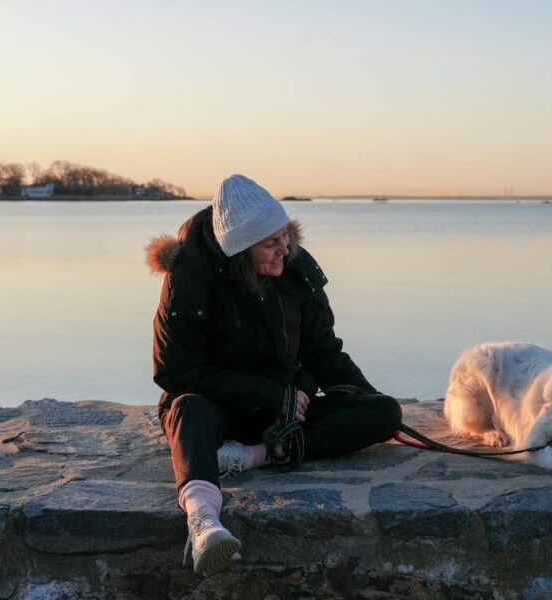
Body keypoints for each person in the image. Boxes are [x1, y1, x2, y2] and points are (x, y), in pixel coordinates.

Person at [147, 174, 401, 576]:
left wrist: (362, 397)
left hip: (284, 416)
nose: (285, 249)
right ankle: (203, 522)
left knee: (385, 413)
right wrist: (268, 395)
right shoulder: (189, 277)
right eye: (270, 243)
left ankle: (256, 456)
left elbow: (324, 352)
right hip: (220, 406)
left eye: (285, 235)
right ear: (240, 251)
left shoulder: (295, 267)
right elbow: (175, 372)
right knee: (185, 410)